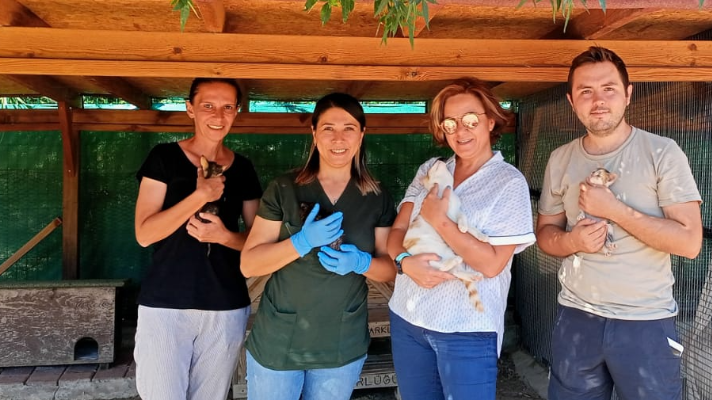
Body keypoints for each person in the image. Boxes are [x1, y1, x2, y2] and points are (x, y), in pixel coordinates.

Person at [535, 46, 704, 400]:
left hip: (645, 322)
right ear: (571, 101)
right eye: (586, 91)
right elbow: (546, 235)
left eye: (608, 89)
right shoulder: (561, 158)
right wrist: (573, 243)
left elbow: (690, 243)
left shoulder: (662, 152)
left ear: (628, 94)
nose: (598, 100)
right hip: (577, 316)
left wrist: (614, 210)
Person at [240, 92, 397, 400]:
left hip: (341, 341)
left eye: (349, 128)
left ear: (362, 134)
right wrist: (301, 242)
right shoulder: (284, 188)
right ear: (313, 133)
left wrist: (362, 263)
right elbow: (249, 264)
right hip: (279, 340)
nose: (338, 138)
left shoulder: (377, 197)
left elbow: (390, 268)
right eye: (328, 128)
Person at [388, 77, 536, 400]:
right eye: (450, 123)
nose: (461, 130)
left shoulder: (509, 184)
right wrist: (403, 263)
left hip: (467, 328)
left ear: (491, 121)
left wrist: (441, 222)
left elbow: (493, 263)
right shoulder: (431, 168)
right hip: (408, 318)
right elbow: (396, 234)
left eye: (471, 120)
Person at [132, 77, 261, 400]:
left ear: (236, 112)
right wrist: (200, 194)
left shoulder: (243, 169)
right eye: (208, 106)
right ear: (190, 109)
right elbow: (144, 234)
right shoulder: (163, 158)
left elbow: (258, 241)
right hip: (164, 304)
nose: (218, 115)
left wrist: (224, 236)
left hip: (225, 304)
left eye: (227, 107)